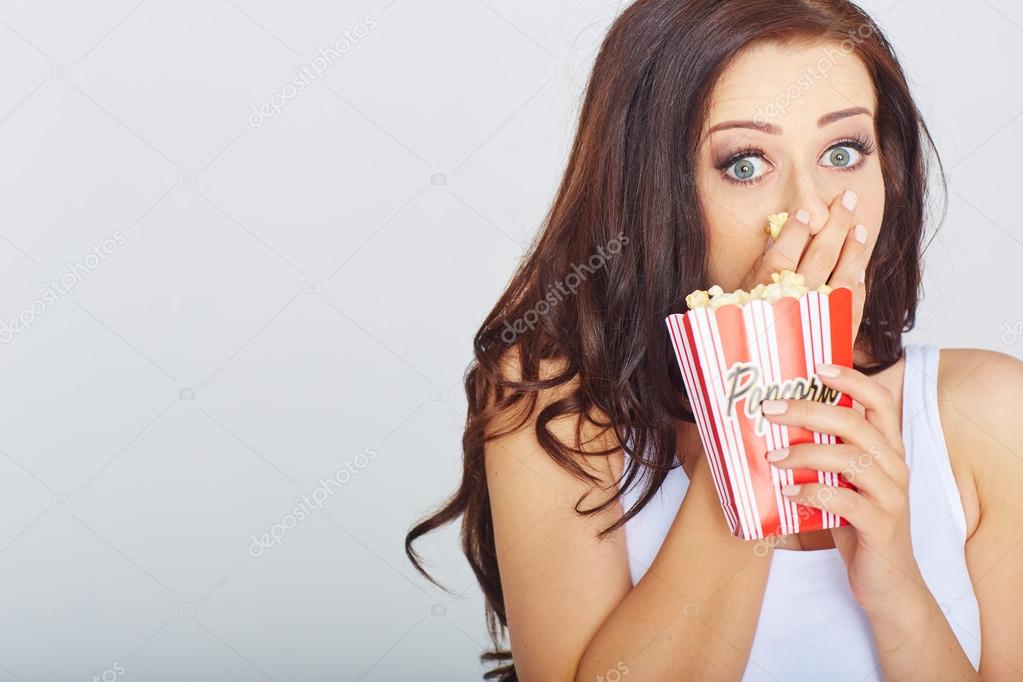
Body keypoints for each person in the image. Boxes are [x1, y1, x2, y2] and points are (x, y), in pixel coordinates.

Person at [406, 1, 1023, 679]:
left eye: (843, 152)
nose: (809, 209)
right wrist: (751, 429)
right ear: (649, 191)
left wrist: (898, 593)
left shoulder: (989, 411)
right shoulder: (554, 406)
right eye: (744, 164)